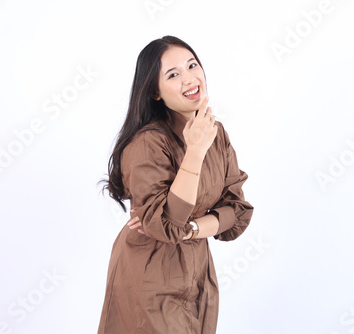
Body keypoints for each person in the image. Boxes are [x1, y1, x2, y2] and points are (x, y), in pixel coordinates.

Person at [97, 35, 254, 334]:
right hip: (150, 273)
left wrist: (192, 229)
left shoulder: (214, 132)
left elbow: (237, 212)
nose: (189, 79)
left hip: (198, 273)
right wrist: (194, 152)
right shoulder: (147, 143)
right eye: (173, 74)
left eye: (192, 65)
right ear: (155, 92)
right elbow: (165, 225)